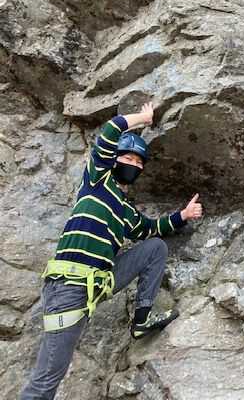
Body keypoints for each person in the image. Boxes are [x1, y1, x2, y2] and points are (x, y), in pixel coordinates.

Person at [21, 102, 203, 400]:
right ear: (115, 159)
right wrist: (142, 119)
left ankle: (141, 320)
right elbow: (109, 131)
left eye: (140, 161)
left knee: (154, 248)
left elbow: (149, 230)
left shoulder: (124, 210)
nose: (135, 164)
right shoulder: (96, 181)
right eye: (129, 157)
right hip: (69, 287)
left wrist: (182, 216)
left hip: (98, 284)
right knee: (46, 380)